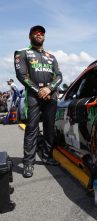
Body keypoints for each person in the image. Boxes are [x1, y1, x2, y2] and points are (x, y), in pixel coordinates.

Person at [14, 25, 62, 178]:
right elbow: (22, 75)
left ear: (44, 37)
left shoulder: (51, 56)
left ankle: (47, 157)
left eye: (41, 33)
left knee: (49, 128)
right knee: (32, 129)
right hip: (34, 97)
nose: (39, 35)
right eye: (35, 33)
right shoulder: (22, 53)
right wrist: (39, 91)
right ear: (30, 36)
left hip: (51, 95)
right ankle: (28, 162)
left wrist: (49, 89)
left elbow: (59, 76)